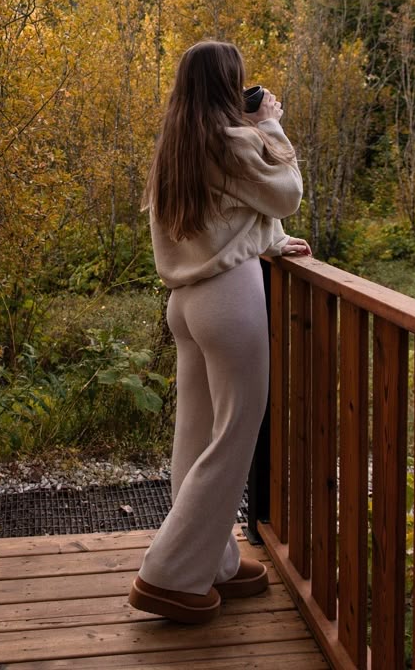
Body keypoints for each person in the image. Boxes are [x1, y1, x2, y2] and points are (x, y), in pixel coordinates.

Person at [128, 40, 311, 624]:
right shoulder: (234, 141)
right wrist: (271, 127)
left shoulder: (177, 147)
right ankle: (169, 574)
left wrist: (274, 242)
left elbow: (220, 220)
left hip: (186, 303)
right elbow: (286, 192)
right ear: (228, 87)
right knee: (234, 433)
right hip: (229, 301)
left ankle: (213, 563)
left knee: (197, 434)